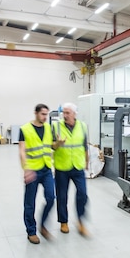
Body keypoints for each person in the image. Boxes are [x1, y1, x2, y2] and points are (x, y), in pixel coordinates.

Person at [52, 102, 90, 237]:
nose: (65, 115)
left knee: (82, 194)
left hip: (78, 166)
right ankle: (63, 222)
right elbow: (52, 147)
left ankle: (80, 221)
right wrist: (58, 143)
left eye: (68, 113)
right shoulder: (56, 126)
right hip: (62, 167)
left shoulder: (83, 126)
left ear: (74, 114)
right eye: (64, 113)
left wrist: (87, 162)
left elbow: (85, 146)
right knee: (62, 196)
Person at [19, 103, 55, 244]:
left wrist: (59, 144)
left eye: (47, 114)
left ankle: (43, 225)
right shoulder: (25, 129)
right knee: (30, 203)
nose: (45, 117)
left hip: (46, 169)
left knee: (51, 197)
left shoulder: (48, 128)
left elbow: (51, 146)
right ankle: (31, 231)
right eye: (43, 114)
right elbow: (22, 150)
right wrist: (26, 169)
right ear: (36, 113)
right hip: (32, 170)